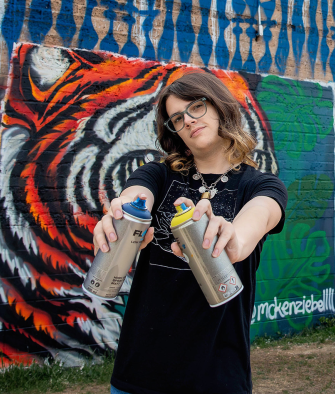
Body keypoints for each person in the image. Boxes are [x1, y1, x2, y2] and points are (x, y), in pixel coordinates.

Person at [93, 71, 287, 394]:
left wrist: (233, 239)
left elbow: (257, 219)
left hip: (217, 377)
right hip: (138, 375)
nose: (188, 121)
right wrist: (121, 216)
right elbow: (135, 197)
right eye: (177, 119)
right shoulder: (157, 175)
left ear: (218, 104)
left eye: (196, 107)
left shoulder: (261, 186)